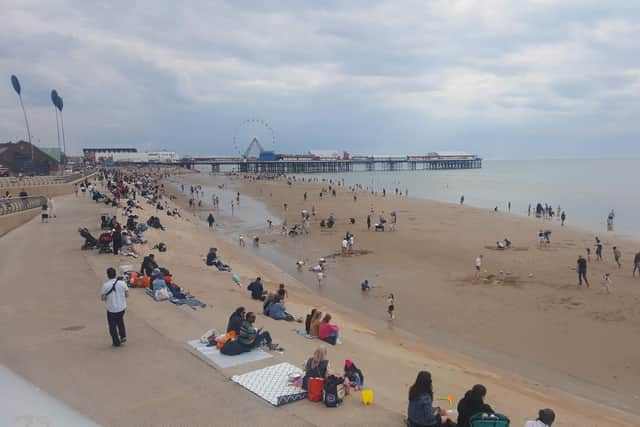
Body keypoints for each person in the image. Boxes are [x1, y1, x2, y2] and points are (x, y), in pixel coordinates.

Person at [100, 267, 129, 347]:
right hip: (122, 307)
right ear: (115, 274)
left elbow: (103, 298)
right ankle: (123, 336)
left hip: (111, 309)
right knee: (120, 321)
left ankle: (116, 342)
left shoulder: (105, 285)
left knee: (112, 325)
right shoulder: (122, 283)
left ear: (108, 275)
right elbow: (126, 294)